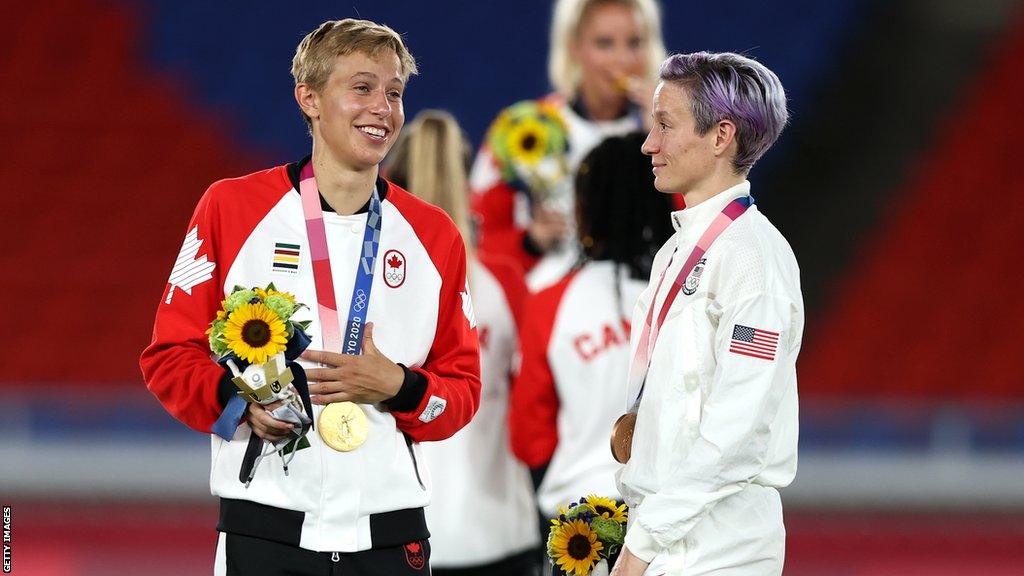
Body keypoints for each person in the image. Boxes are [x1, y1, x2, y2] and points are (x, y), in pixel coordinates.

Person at [140, 19, 481, 576]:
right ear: (310, 98)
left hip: (391, 535)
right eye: (362, 87)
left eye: (395, 92)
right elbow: (169, 357)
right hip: (264, 526)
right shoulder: (231, 209)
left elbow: (461, 394)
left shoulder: (434, 234)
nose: (383, 108)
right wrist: (238, 401)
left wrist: (398, 385)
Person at [610, 52, 802, 576]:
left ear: (721, 136)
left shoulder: (752, 258)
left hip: (719, 551)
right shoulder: (678, 251)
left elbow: (736, 433)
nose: (649, 143)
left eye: (665, 125)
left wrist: (641, 545)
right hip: (665, 535)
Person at [386, 110, 541, 576]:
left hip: (399, 525)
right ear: (466, 184)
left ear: (392, 182)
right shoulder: (504, 280)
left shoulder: (371, 283)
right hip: (500, 527)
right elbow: (533, 396)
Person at [509, 133, 674, 540]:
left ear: (586, 208)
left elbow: (528, 436)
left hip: (579, 526)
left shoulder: (550, 301)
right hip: (671, 514)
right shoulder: (684, 292)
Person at [470, 0, 667, 291]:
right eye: (605, 43)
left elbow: (693, 230)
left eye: (635, 42)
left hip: (637, 311)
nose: (623, 59)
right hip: (541, 310)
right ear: (574, 46)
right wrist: (529, 242)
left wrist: (665, 132)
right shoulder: (523, 129)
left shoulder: (665, 134)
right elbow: (475, 237)